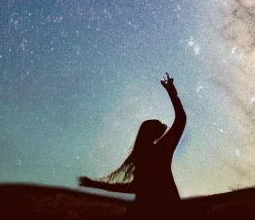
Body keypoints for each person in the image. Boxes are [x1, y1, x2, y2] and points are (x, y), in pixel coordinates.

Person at [78, 73, 187, 219]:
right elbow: (181, 119)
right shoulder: (161, 149)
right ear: (153, 133)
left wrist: (95, 184)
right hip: (166, 210)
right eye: (160, 125)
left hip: (146, 211)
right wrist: (172, 94)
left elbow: (131, 188)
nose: (163, 126)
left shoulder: (142, 156)